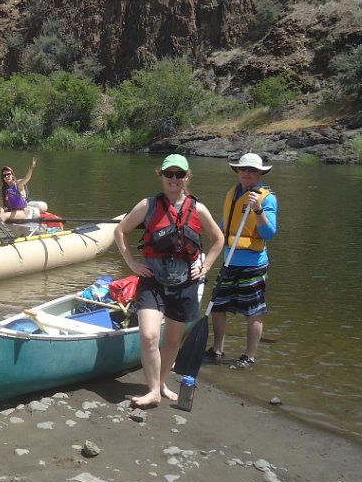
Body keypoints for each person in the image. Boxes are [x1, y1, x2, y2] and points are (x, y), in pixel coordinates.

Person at [114, 154, 224, 408]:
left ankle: (161, 383)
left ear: (187, 176)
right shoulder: (148, 205)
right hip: (152, 280)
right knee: (149, 335)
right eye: (169, 174)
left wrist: (206, 266)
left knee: (173, 341)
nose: (174, 179)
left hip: (185, 283)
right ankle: (153, 390)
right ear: (161, 175)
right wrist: (132, 264)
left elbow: (218, 240)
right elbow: (120, 231)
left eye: (179, 174)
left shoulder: (198, 209)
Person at [205, 152, 278, 370]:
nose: (247, 173)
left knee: (253, 311)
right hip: (229, 261)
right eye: (243, 169)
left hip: (253, 263)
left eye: (252, 170)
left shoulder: (267, 198)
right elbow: (224, 226)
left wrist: (258, 210)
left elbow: (269, 233)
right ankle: (217, 349)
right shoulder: (233, 193)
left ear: (259, 174)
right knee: (218, 305)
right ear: (238, 171)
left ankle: (249, 357)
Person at [0, 156, 49, 222]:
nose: (6, 176)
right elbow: (2, 203)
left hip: (24, 212)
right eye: (4, 175)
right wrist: (0, 209)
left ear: (12, 175)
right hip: (12, 211)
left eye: (8, 174)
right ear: (2, 178)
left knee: (3, 216)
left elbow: (27, 178)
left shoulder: (18, 185)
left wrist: (31, 168)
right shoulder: (4, 189)